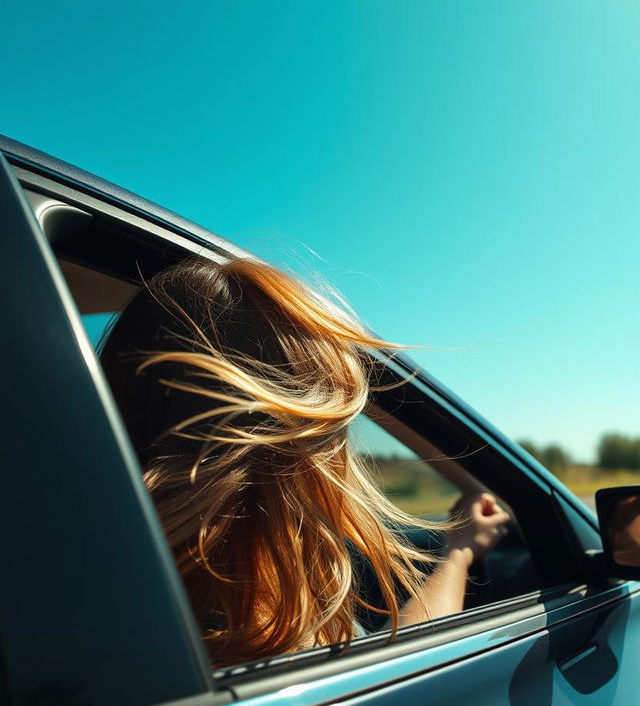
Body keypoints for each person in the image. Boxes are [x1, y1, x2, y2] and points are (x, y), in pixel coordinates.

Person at [100, 255, 509, 666]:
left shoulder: (104, 579)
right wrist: (459, 554)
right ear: (291, 446)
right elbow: (402, 673)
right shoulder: (243, 625)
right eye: (334, 429)